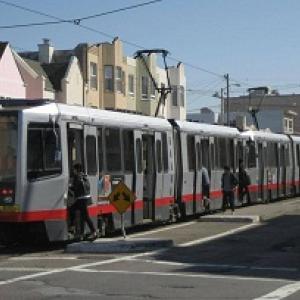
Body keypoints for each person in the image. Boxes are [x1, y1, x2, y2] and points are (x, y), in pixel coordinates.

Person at [69, 163, 97, 240]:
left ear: (76, 169)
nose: (73, 170)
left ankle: (93, 232)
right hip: (86, 198)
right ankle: (80, 233)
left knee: (81, 214)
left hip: (81, 199)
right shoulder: (84, 175)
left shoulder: (77, 176)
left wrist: (69, 187)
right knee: (83, 216)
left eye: (74, 169)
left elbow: (75, 188)